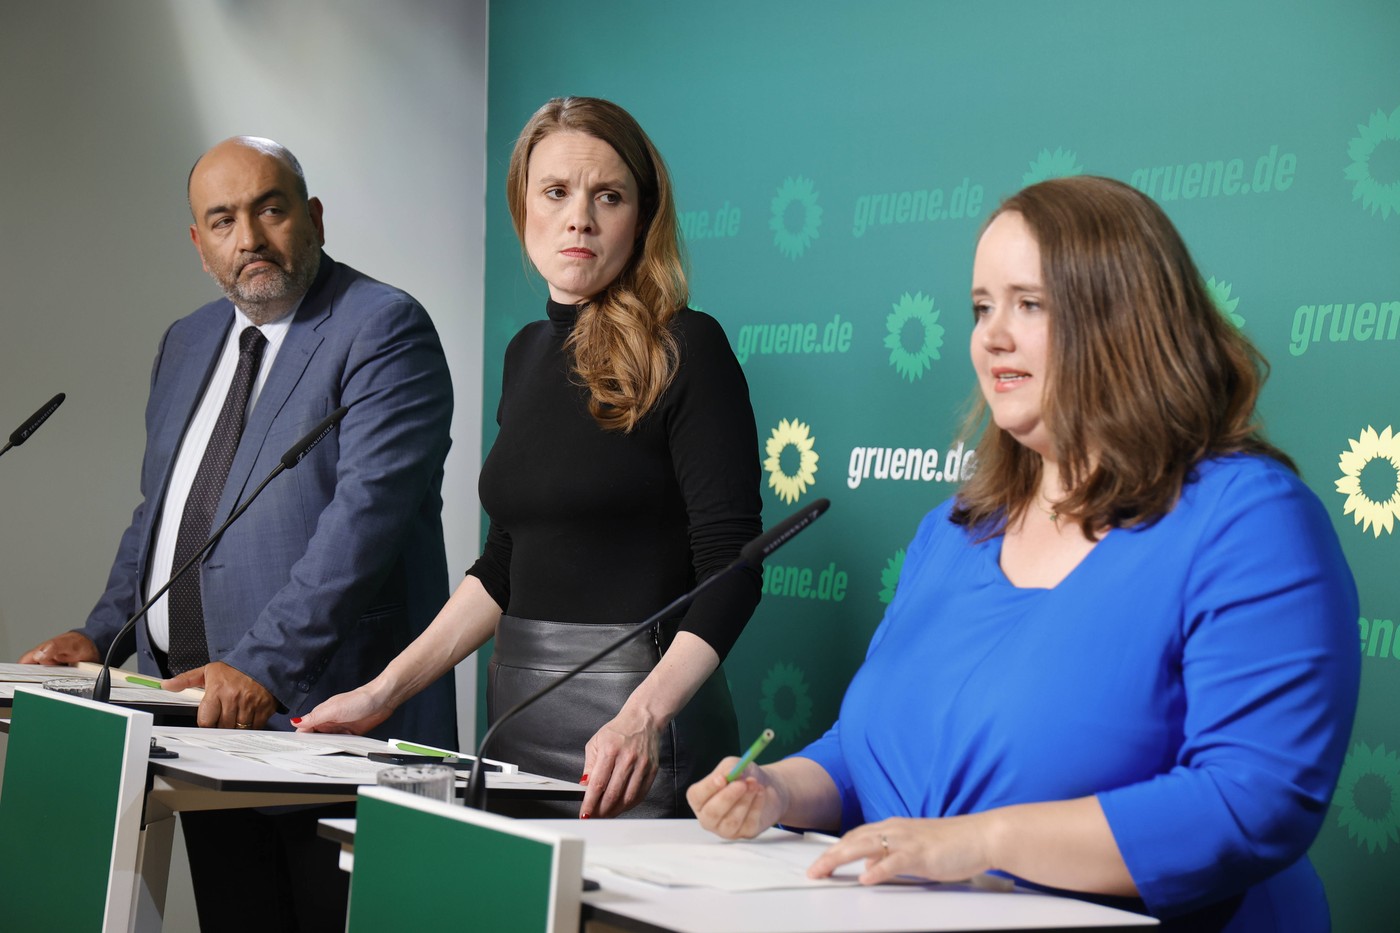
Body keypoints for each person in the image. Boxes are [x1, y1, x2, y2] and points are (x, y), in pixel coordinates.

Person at [687, 176, 1360, 931]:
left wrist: (975, 842)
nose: (991, 335)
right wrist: (778, 790)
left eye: (1029, 304)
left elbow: (1251, 801)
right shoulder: (953, 528)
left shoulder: (1248, 518)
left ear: (1124, 319)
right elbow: (870, 750)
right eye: (981, 307)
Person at [20, 136, 457, 932]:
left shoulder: (383, 328)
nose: (248, 237)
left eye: (270, 208)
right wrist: (101, 633)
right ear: (199, 246)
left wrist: (260, 665)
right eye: (222, 220)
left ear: (313, 217)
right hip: (194, 719)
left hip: (327, 724)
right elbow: (163, 514)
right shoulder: (187, 342)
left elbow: (364, 523)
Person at [296, 97, 763, 820]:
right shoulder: (525, 353)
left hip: (638, 735)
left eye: (608, 195)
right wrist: (383, 691)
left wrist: (643, 718)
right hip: (517, 716)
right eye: (556, 192)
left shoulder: (688, 346)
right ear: (523, 209)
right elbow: (504, 566)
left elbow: (733, 566)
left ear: (642, 216)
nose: (580, 217)